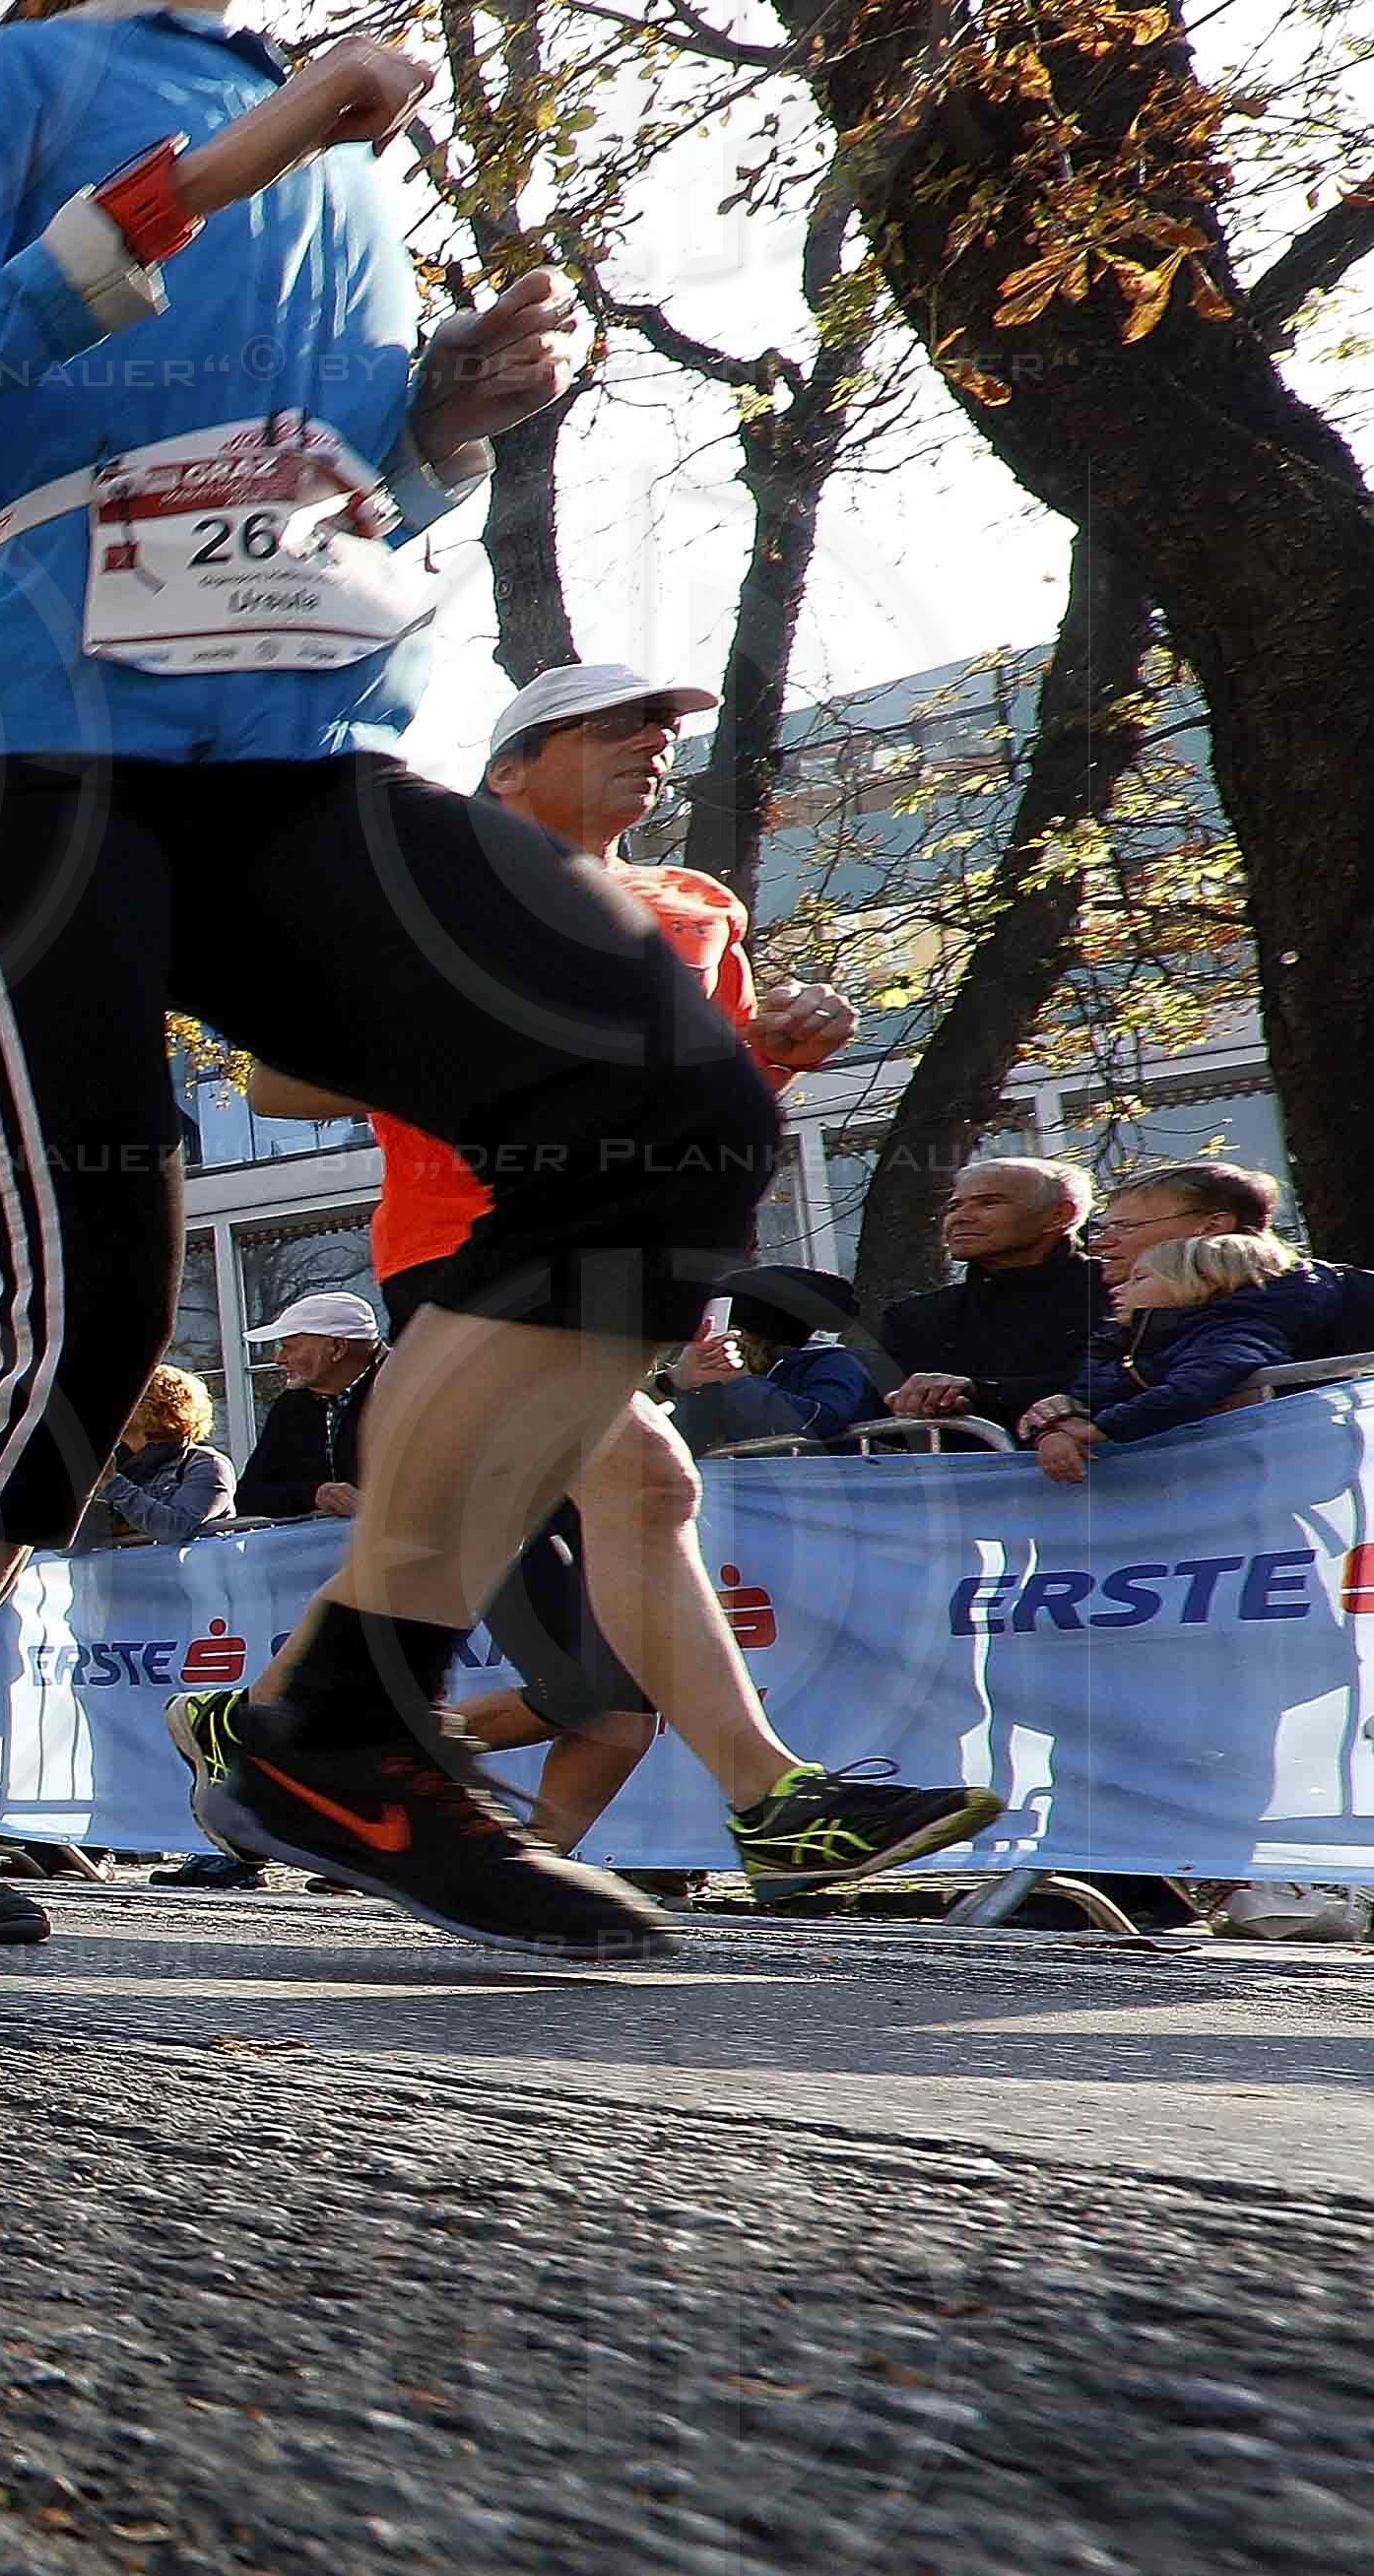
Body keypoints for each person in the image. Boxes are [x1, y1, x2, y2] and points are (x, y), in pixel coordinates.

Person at [0, 0, 786, 1959]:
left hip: (292, 762)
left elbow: (326, 492)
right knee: (80, 1307)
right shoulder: (16, 93)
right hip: (26, 767)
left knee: (657, 1112)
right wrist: (192, 182)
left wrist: (434, 413)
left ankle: (347, 1705)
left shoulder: (343, 151)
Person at [243, 665, 982, 1893]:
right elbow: (280, 1084)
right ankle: (771, 1800)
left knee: (547, 1507)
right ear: (510, 769)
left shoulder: (695, 904)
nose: (651, 742)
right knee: (641, 1479)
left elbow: (715, 1086)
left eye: (663, 727)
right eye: (611, 725)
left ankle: (272, 1723)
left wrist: (781, 1046)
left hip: (623, 1251)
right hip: (469, 1236)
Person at [1038, 1228, 1366, 1480]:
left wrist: (1098, 1430)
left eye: (1139, 1279)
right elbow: (1093, 1389)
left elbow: (1194, 1386)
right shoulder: (1129, 1339)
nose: (1119, 1289)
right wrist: (1057, 1424)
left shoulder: (1233, 1332)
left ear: (1203, 1283)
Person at [874, 1158, 1111, 1433]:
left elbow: (1122, 1381)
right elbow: (887, 1420)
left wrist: (981, 1393)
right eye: (954, 1206)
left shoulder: (1118, 1289)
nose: (961, 1217)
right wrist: (927, 1405)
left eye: (989, 1203)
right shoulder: (914, 1318)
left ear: (1059, 1216)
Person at [663, 1270, 882, 1451]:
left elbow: (821, 1421)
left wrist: (740, 1382)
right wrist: (683, 1385)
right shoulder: (733, 1375)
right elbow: (688, 1440)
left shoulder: (833, 1363)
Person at [234, 1295, 380, 1519]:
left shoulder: (408, 1391)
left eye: (288, 1347)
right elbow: (248, 1497)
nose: (279, 1359)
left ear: (337, 1348)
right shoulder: (291, 1406)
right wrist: (314, 1494)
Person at [72, 1366, 235, 1547]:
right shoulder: (116, 1464)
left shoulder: (205, 1464)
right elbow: (71, 1547)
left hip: (184, 1574)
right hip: (118, 1575)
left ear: (155, 1408)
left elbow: (173, 1529)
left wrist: (111, 1483)